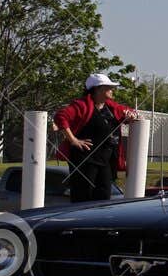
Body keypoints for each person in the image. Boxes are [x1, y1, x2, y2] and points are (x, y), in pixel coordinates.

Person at [53, 73, 138, 203]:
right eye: (108, 87)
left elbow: (130, 111)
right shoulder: (82, 105)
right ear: (98, 89)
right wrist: (73, 140)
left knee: (104, 194)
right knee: (83, 195)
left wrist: (130, 115)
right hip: (85, 160)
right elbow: (60, 117)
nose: (112, 90)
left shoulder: (111, 106)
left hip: (106, 160)